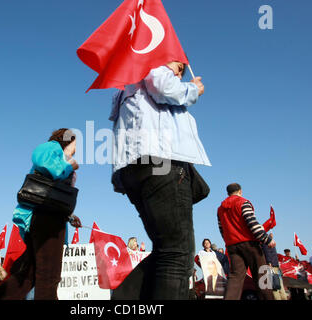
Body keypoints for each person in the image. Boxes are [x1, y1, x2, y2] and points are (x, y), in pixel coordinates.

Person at [109, 60, 210, 300]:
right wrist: (193, 89)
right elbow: (165, 88)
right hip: (162, 162)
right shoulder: (154, 67)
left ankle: (124, 299)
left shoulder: (128, 83)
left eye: (182, 70)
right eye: (178, 65)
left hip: (134, 167)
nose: (179, 71)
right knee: (178, 253)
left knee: (168, 250)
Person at [0, 128, 82, 300]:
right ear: (69, 140)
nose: (76, 149)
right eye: (76, 144)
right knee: (49, 276)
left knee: (27, 275)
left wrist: (70, 216)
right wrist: (68, 164)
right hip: (47, 218)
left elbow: (55, 194)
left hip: (48, 215)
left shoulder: (61, 156)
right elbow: (43, 162)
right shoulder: (53, 148)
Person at [217, 183, 275, 300]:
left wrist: (230, 242)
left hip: (232, 246)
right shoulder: (243, 202)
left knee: (235, 278)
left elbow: (222, 229)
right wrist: (266, 239)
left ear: (228, 193)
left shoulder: (220, 209)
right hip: (250, 244)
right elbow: (252, 223)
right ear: (240, 191)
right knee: (262, 277)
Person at [261, 233, 288, 300]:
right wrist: (270, 262)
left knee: (276, 285)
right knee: (277, 285)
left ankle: (281, 297)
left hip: (273, 266)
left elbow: (268, 253)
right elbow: (268, 253)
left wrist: (270, 262)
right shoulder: (268, 243)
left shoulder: (268, 243)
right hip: (273, 266)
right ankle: (282, 298)